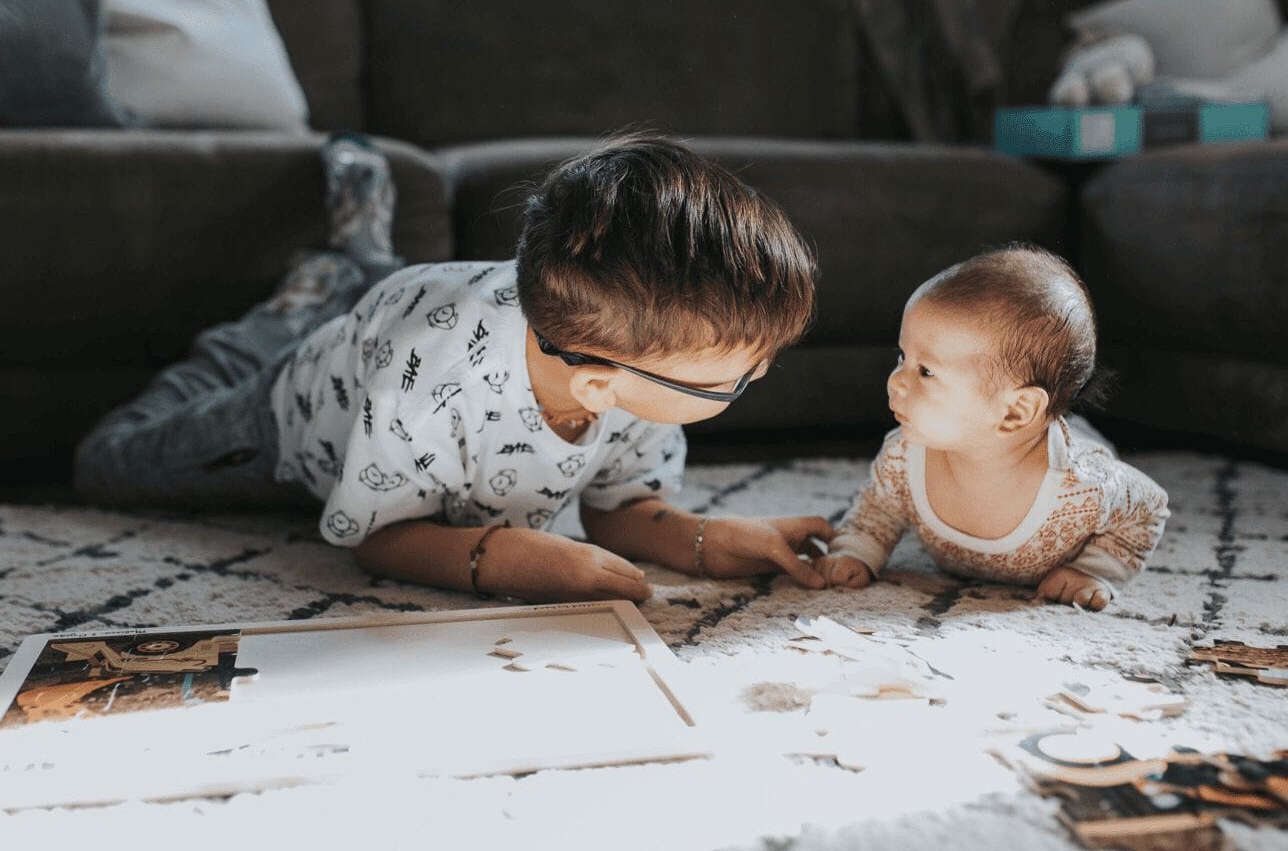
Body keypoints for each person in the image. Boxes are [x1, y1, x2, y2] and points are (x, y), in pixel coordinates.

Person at [75, 133, 833, 602]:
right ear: (599, 384)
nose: (759, 376)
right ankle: (283, 316)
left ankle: (351, 269)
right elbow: (374, 536)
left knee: (368, 302)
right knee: (108, 461)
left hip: (397, 329)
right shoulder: (434, 384)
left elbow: (614, 508)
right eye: (735, 377)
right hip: (294, 407)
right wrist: (500, 560)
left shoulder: (623, 370)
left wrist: (707, 540)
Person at [815, 245, 1169, 610]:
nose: (895, 381)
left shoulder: (1082, 486)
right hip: (1035, 424)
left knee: (1081, 436)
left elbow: (1148, 508)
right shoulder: (904, 456)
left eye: (926, 371)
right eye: (903, 357)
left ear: (1015, 412)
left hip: (1074, 442)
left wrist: (1095, 570)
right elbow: (880, 508)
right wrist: (856, 550)